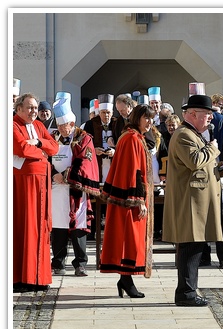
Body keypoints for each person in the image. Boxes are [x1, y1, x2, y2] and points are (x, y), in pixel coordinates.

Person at [163, 94, 223, 306]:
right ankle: (186, 294)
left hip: (196, 201)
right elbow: (195, 161)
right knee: (190, 248)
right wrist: (213, 148)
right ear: (192, 114)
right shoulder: (184, 134)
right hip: (189, 202)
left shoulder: (193, 134)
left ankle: (188, 291)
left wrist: (221, 170)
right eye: (207, 114)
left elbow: (203, 167)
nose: (211, 118)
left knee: (194, 247)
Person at [99, 104, 156, 299]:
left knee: (131, 240)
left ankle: (126, 279)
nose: (149, 122)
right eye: (146, 118)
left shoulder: (135, 137)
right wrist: (138, 200)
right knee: (129, 240)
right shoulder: (132, 139)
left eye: (151, 118)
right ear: (137, 118)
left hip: (130, 198)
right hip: (129, 200)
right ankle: (126, 279)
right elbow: (134, 171)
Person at [49, 97, 101, 276]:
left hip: (75, 189)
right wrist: (53, 174)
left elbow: (85, 161)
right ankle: (58, 262)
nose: (63, 129)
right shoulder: (52, 137)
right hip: (55, 188)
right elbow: (45, 158)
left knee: (78, 225)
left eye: (66, 126)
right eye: (60, 125)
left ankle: (80, 263)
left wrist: (66, 176)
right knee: (58, 224)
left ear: (72, 123)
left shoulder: (83, 138)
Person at [13, 93, 59, 292]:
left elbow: (54, 147)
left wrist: (40, 144)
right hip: (25, 184)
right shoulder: (13, 125)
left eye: (35, 107)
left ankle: (39, 277)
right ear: (19, 109)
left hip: (41, 183)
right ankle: (21, 277)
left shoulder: (39, 126)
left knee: (41, 229)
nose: (34, 111)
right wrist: (41, 152)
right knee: (26, 227)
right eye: (30, 107)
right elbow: (22, 148)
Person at [200, 93, 223, 269]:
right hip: (202, 175)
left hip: (216, 174)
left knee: (219, 218)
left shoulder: (221, 120)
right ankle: (206, 256)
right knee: (205, 218)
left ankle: (222, 256)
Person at [83, 93, 117, 183]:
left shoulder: (117, 124)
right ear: (99, 112)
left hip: (113, 162)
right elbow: (85, 145)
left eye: (108, 112)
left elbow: (122, 143)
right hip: (97, 162)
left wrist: (115, 151)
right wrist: (94, 150)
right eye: (103, 112)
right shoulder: (90, 124)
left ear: (112, 113)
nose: (106, 115)